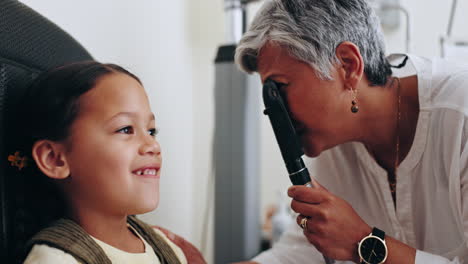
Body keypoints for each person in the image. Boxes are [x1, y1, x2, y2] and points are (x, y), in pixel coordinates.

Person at [234, 0, 468, 263]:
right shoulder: (333, 141)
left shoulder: (461, 115)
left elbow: (346, 242)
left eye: (280, 89)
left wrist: (362, 242)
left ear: (347, 65)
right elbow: (300, 253)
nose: (277, 115)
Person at [9, 61, 205, 264]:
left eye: (151, 131)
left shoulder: (167, 247)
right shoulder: (56, 260)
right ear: (55, 159)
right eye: (125, 129)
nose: (153, 146)